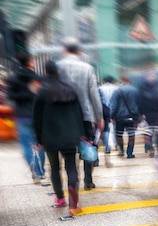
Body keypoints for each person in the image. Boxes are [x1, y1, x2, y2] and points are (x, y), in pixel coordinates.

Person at [33, 61, 92, 215]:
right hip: (70, 136)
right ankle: (74, 203)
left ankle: (60, 198)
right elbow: (79, 114)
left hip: (50, 137)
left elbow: (37, 119)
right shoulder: (70, 90)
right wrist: (83, 134)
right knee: (71, 167)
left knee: (54, 168)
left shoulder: (41, 92)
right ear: (58, 72)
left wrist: (39, 139)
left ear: (46, 73)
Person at [56, 37, 104, 190]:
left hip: (64, 117)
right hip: (85, 115)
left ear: (64, 50)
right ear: (77, 50)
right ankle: (88, 181)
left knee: (69, 151)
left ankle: (72, 180)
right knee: (88, 147)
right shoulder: (87, 68)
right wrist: (99, 116)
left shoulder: (57, 67)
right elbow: (94, 94)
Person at [6, 50, 45, 183]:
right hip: (38, 115)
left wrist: (22, 97)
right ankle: (41, 171)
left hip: (22, 116)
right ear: (29, 62)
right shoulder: (38, 78)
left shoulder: (13, 78)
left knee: (26, 146)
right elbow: (42, 96)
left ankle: (35, 172)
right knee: (40, 143)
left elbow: (10, 96)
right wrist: (30, 94)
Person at [109, 75, 140, 159]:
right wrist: (139, 116)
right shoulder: (135, 91)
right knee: (131, 135)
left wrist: (111, 116)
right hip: (132, 117)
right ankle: (130, 153)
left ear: (122, 81)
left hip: (120, 117)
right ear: (130, 81)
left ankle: (121, 151)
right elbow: (139, 104)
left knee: (119, 135)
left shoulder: (117, 91)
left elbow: (113, 105)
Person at [137, 70, 158, 158]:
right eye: (150, 76)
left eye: (153, 76)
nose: (151, 78)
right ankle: (150, 148)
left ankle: (157, 147)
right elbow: (140, 101)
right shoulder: (143, 88)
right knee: (148, 133)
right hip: (147, 114)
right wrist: (142, 113)